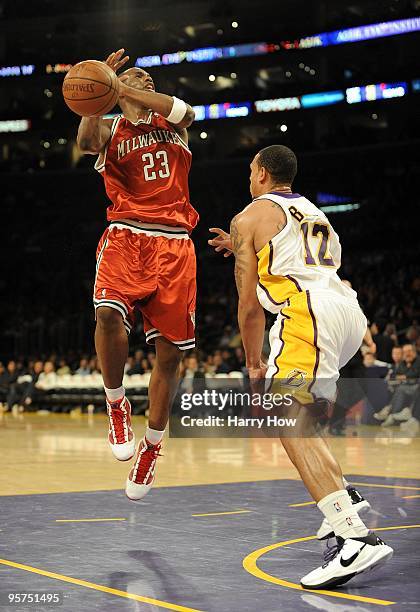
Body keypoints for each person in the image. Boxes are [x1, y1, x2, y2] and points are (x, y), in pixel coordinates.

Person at [209, 145, 392, 589]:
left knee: (288, 420)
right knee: (303, 419)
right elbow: (293, 256)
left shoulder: (249, 216)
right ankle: (343, 496)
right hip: (346, 310)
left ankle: (353, 537)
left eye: (251, 169)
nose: (248, 177)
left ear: (263, 174)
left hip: (307, 314)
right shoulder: (311, 210)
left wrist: (254, 363)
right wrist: (241, 248)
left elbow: (250, 308)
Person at [77, 49, 198, 500]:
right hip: (127, 235)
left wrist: (119, 82)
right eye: (134, 77)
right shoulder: (110, 130)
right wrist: (96, 89)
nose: (144, 81)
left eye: (146, 78)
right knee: (107, 315)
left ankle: (152, 447)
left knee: (170, 356)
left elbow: (188, 110)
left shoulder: (174, 122)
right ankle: (116, 405)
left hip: (175, 243)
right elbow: (86, 142)